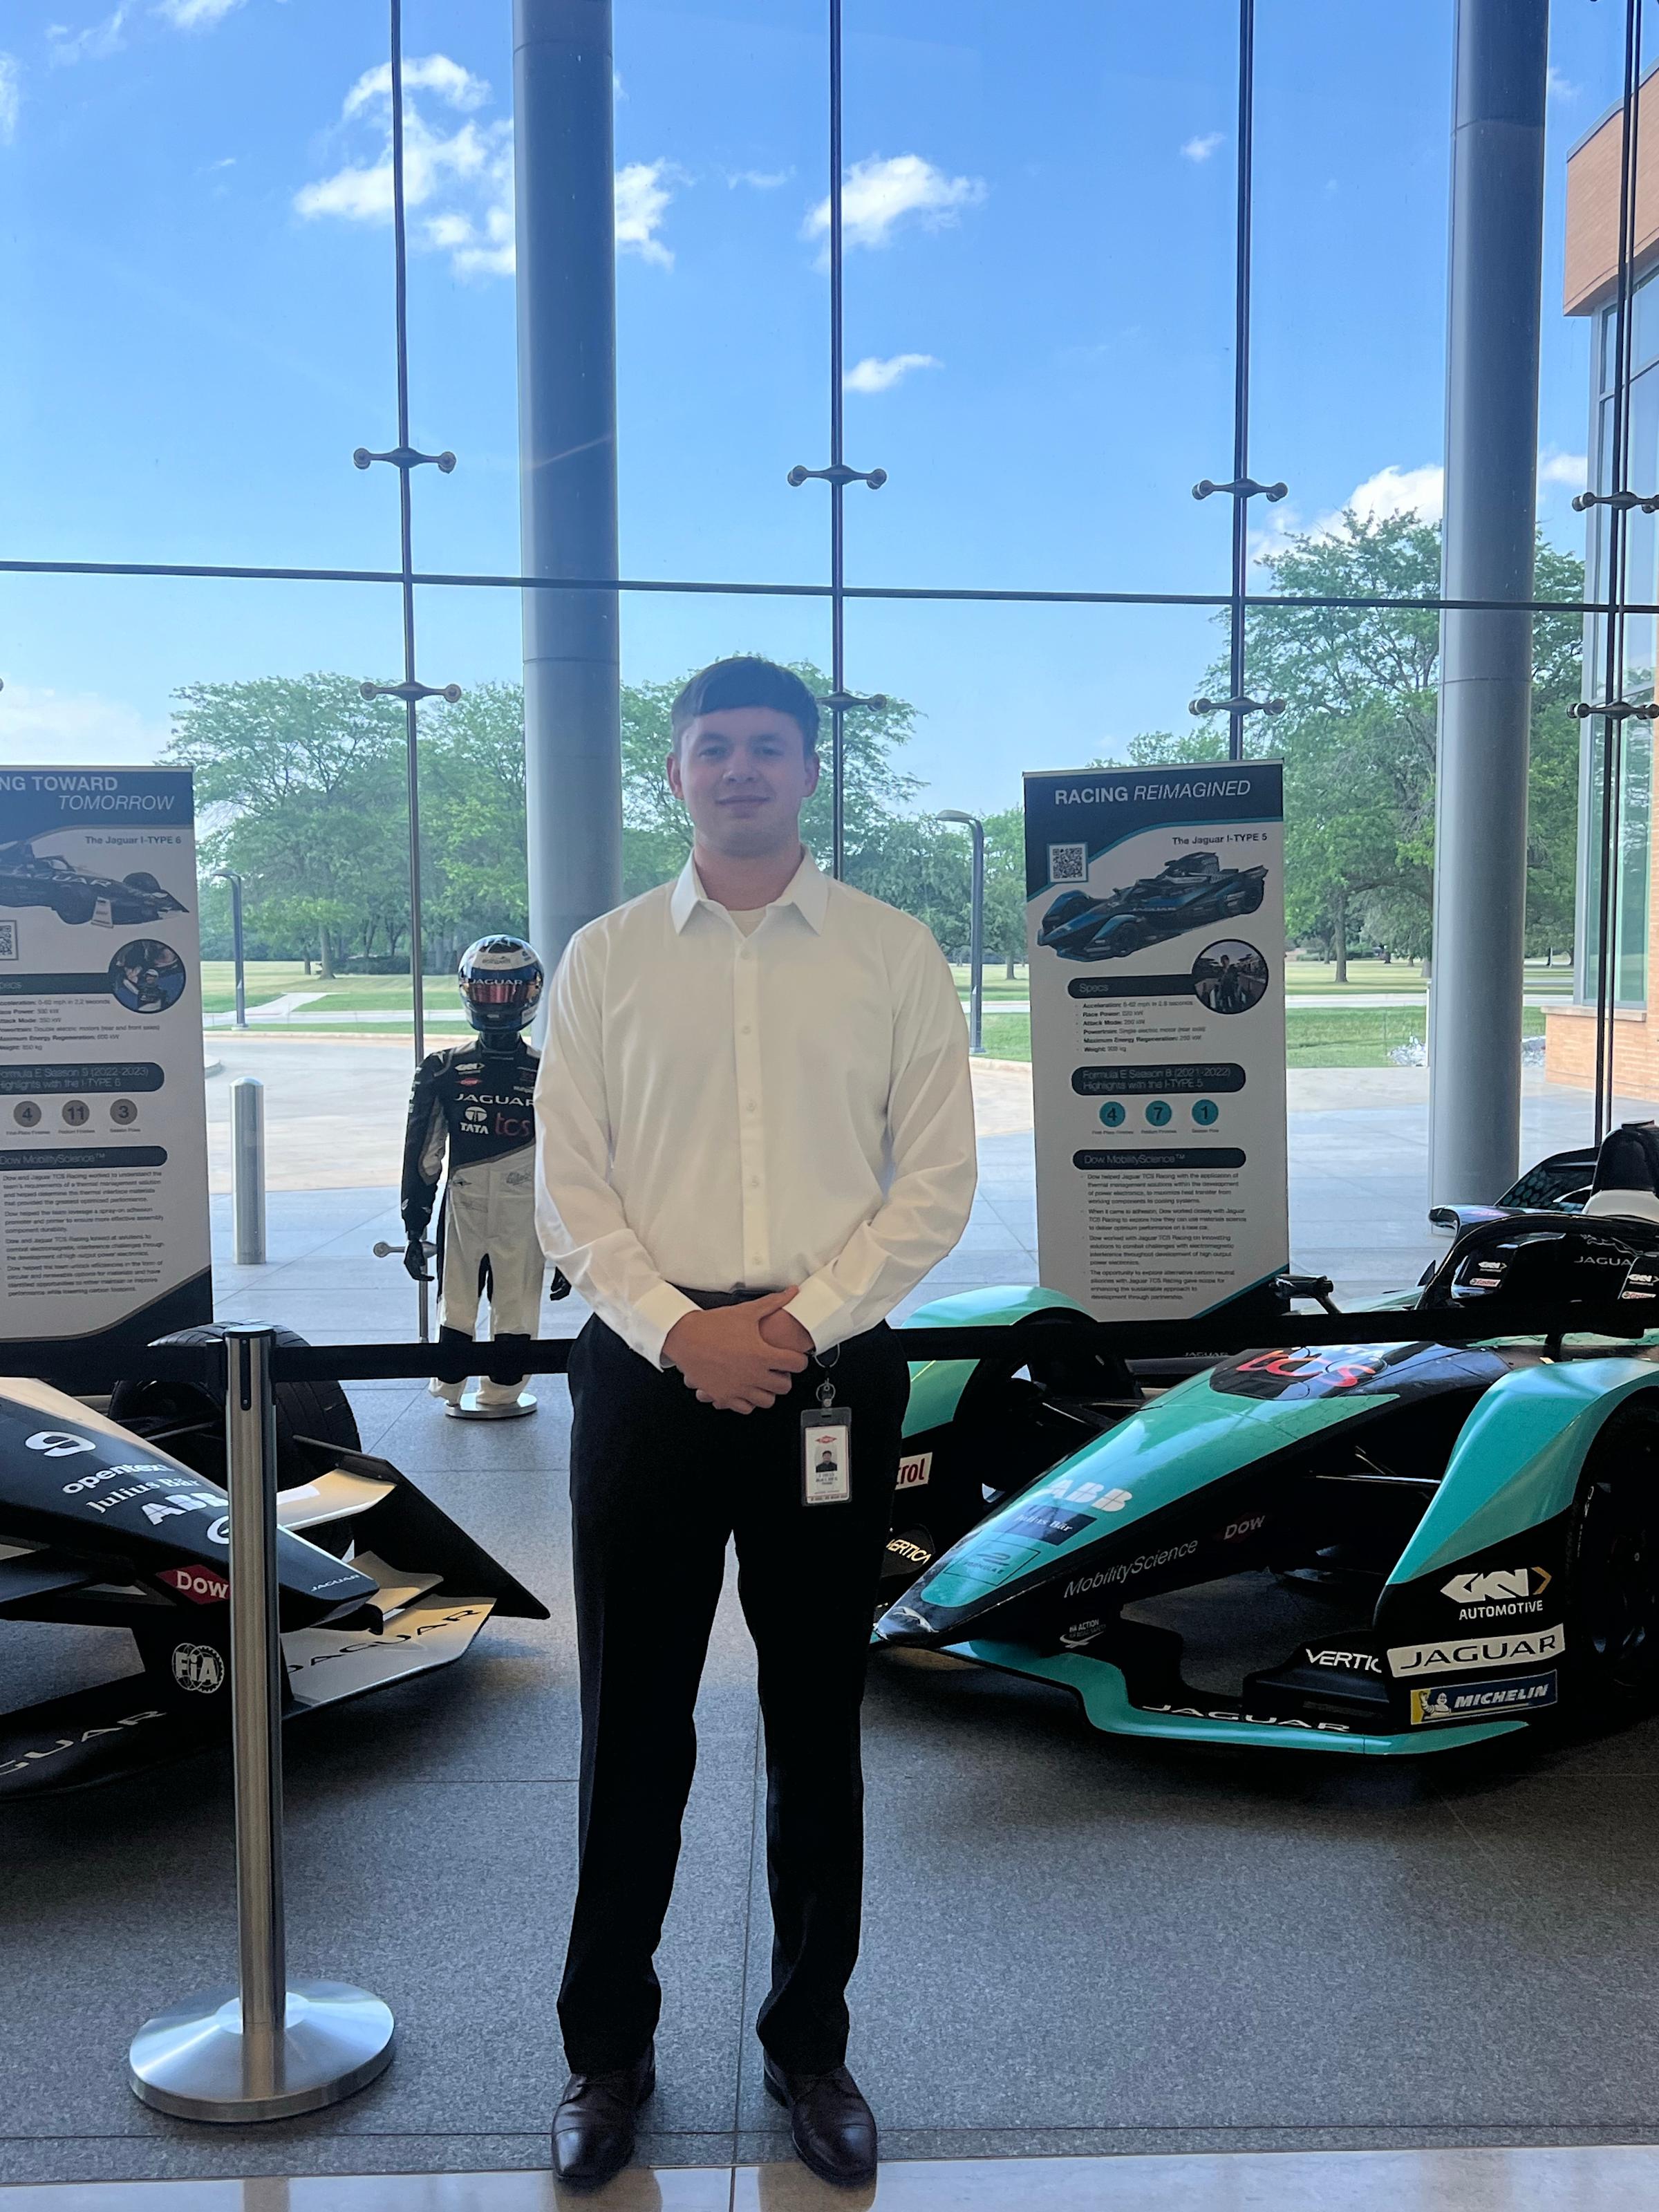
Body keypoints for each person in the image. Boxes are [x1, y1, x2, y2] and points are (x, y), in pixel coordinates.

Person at [535, 655, 977, 2191]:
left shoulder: (891, 951)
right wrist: (679, 1332)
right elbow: (569, 1186)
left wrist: (793, 1326)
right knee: (631, 1726)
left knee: (816, 1723)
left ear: (807, 771)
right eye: (712, 747)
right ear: (676, 774)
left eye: (766, 747)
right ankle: (608, 2052)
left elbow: (936, 1181)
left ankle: (811, 2043)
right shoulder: (601, 960)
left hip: (829, 1373)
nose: (739, 769)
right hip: (645, 1377)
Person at [401, 935, 566, 1418]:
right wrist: (414, 1225)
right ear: (468, 992)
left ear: (531, 994)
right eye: (487, 991)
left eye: (509, 992)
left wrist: (569, 1246)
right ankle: (450, 1389)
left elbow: (569, 1161)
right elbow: (423, 1155)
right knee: (455, 1307)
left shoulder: (552, 1071)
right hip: (463, 1207)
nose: (498, 1004)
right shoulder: (442, 1068)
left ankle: (502, 1394)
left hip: (525, 1212)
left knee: (516, 1310)